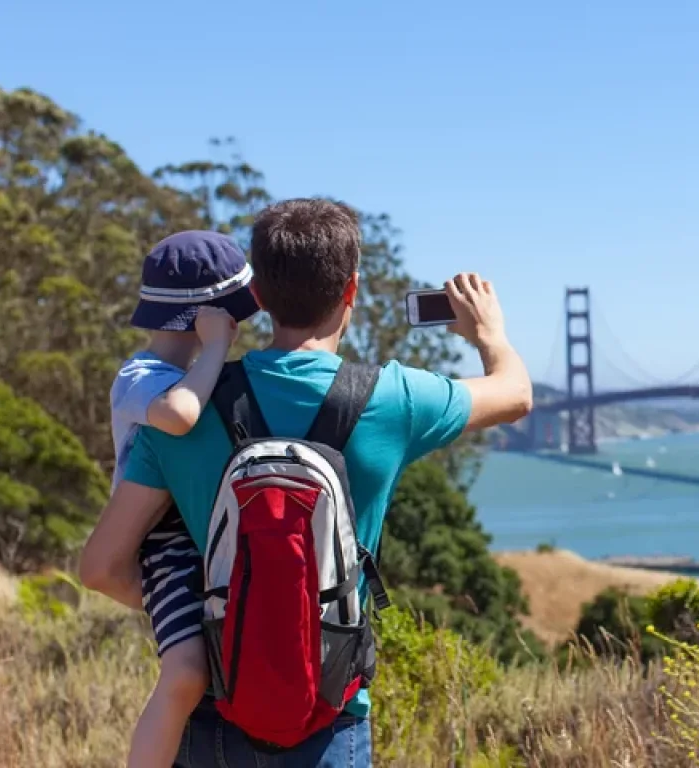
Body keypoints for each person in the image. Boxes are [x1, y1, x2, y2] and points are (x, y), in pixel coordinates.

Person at [80, 198, 533, 767]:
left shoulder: (180, 409)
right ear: (351, 291)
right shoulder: (393, 399)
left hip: (212, 716)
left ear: (260, 298)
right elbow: (515, 393)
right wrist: (488, 332)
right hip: (330, 721)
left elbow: (100, 567)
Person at [96, 230, 259, 768]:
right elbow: (179, 415)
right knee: (187, 670)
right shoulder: (139, 376)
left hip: (204, 532)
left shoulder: (195, 375)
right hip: (163, 542)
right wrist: (214, 346)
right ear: (209, 317)